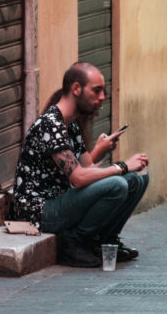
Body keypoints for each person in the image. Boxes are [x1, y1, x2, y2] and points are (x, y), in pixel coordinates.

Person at [11, 62, 150, 267]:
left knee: (135, 181)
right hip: (38, 213)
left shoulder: (71, 123)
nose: (102, 97)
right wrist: (122, 166)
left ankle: (106, 241)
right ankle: (74, 245)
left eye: (103, 91)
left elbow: (87, 168)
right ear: (76, 89)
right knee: (119, 183)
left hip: (61, 201)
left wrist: (113, 160)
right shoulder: (50, 125)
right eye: (96, 91)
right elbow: (78, 178)